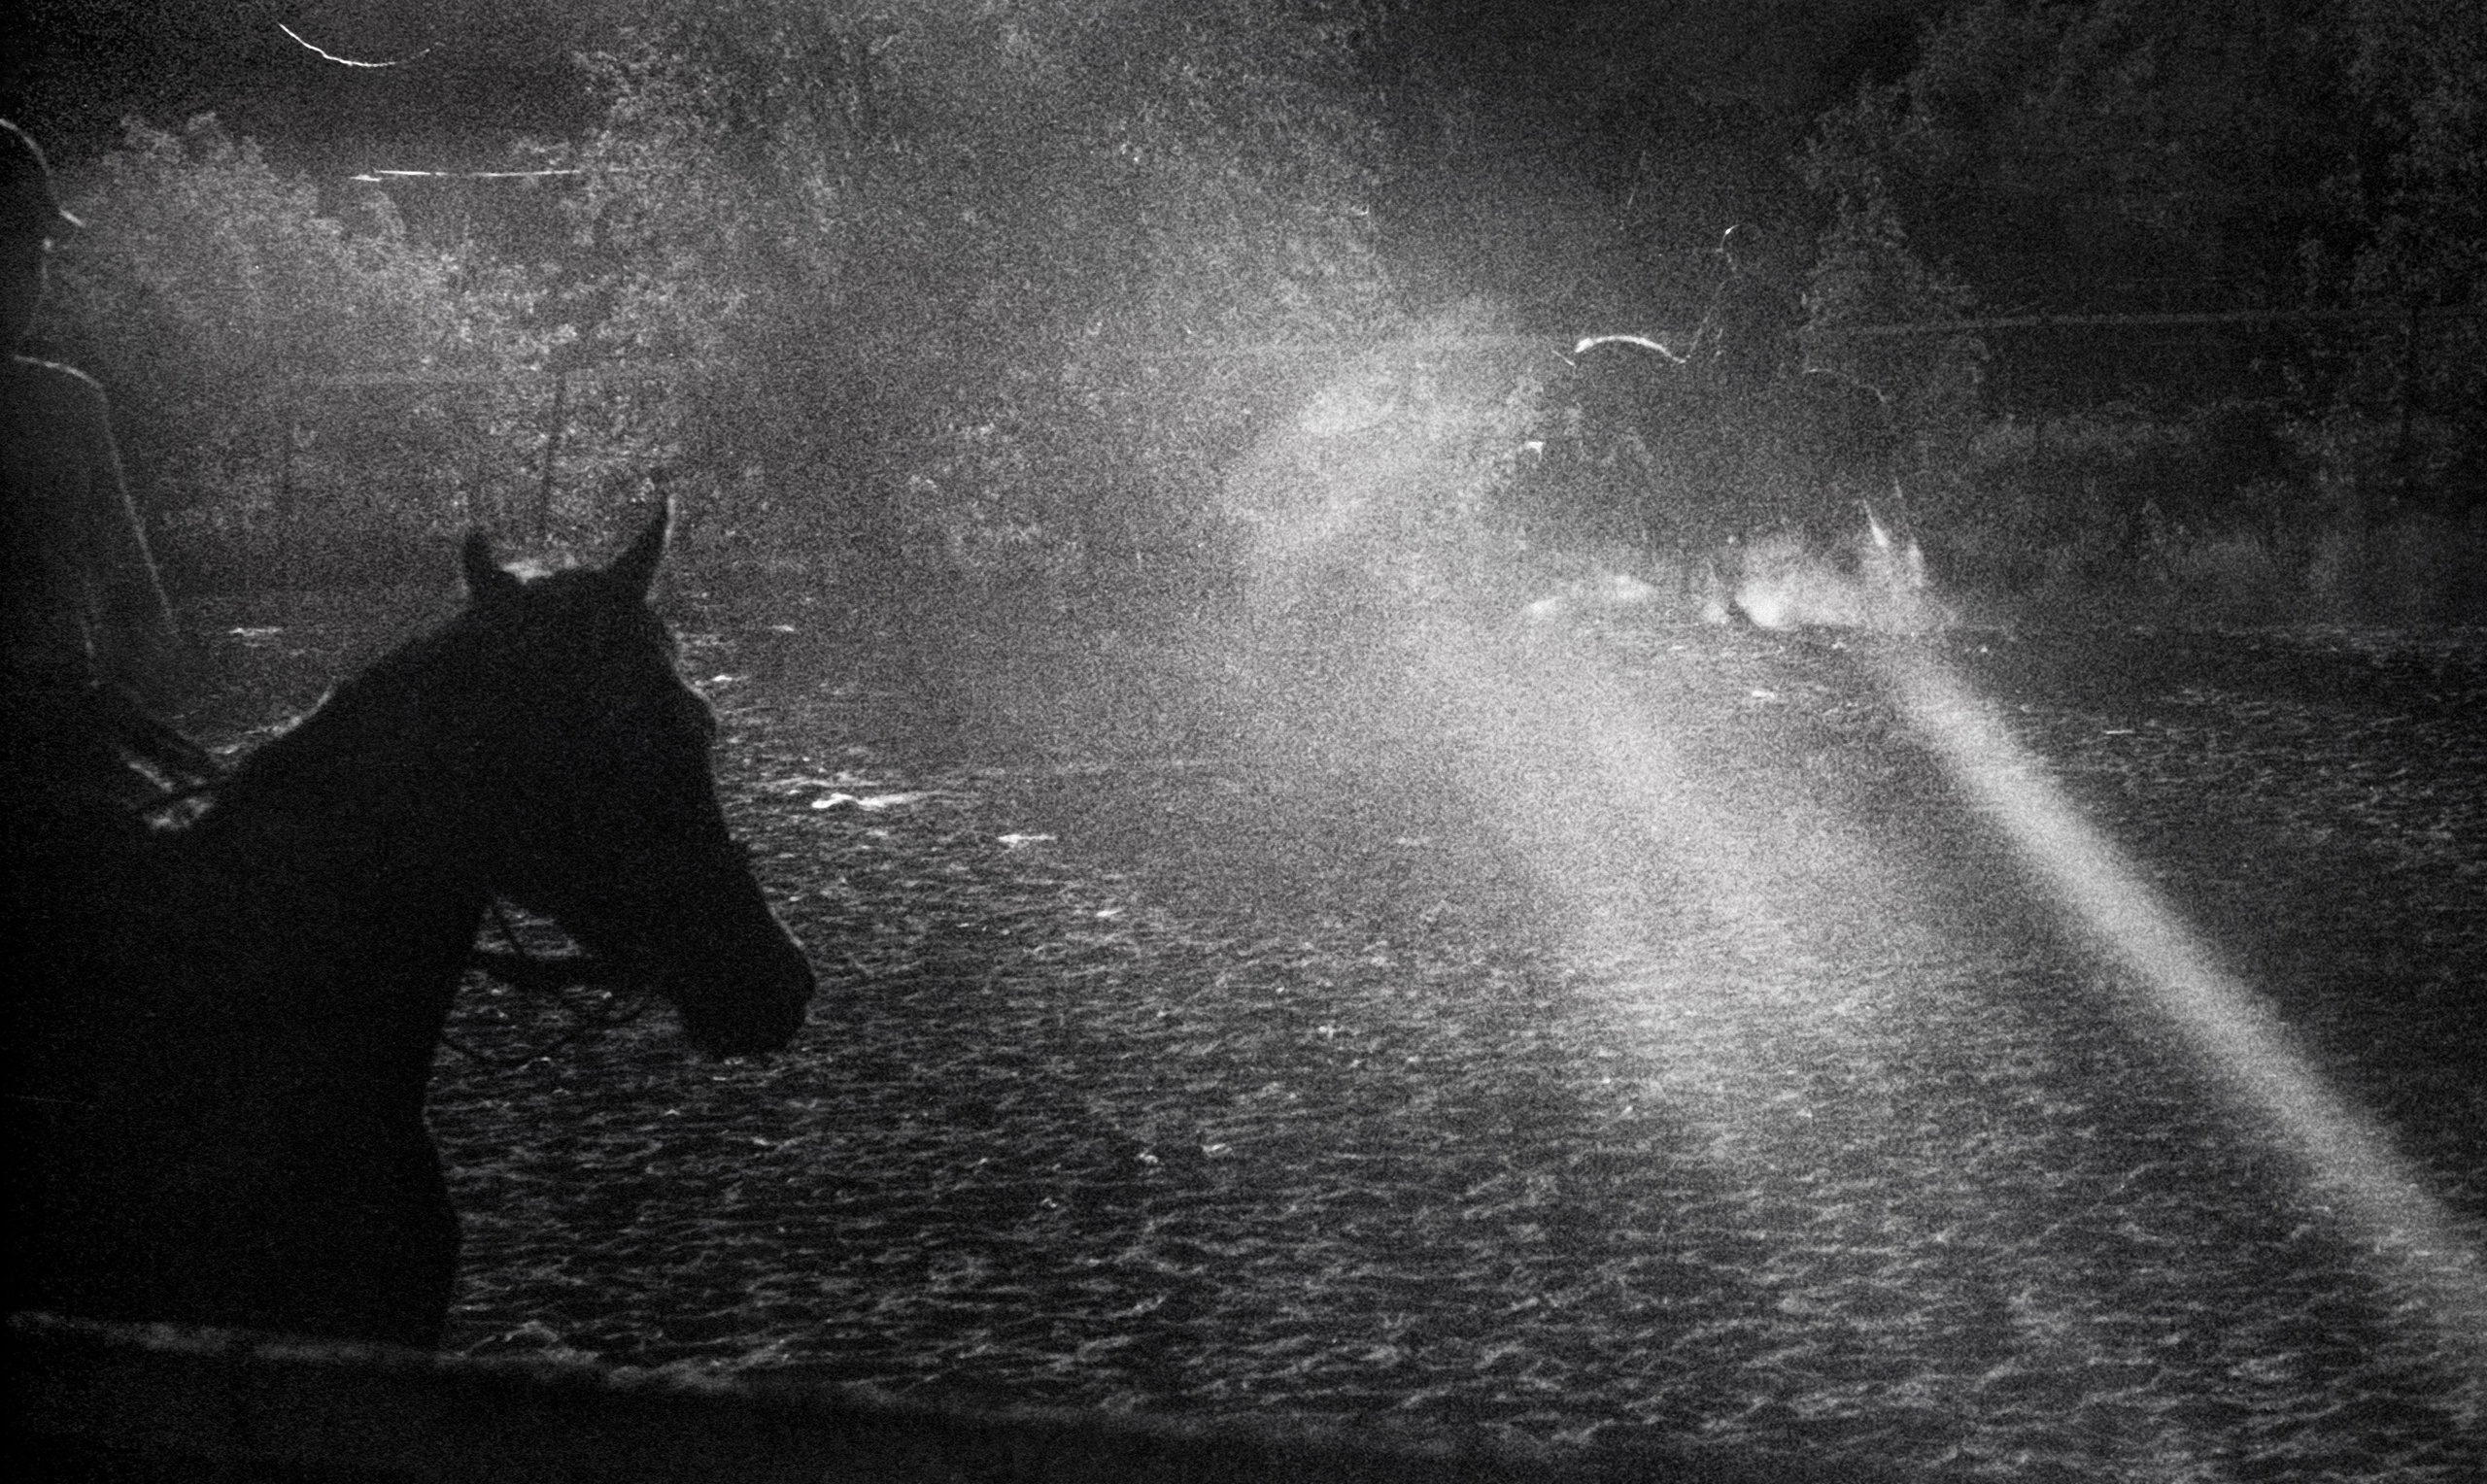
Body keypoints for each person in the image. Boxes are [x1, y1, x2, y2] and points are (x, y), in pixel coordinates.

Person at [2, 118, 199, 809]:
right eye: (8, 248)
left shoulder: (69, 404)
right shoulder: (61, 406)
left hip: (66, 744)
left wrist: (141, 708)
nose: (24, 277)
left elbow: (135, 603)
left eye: (34, 253)